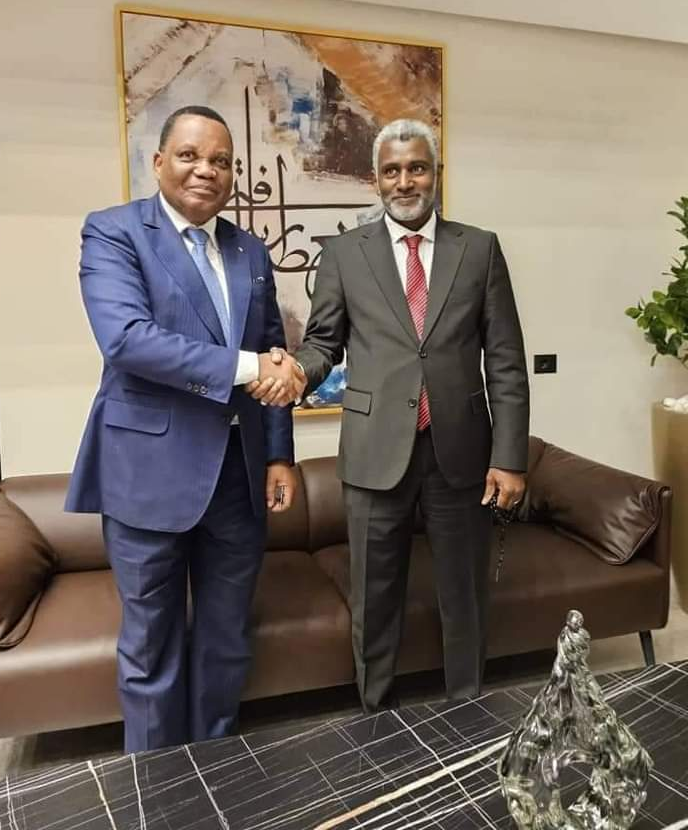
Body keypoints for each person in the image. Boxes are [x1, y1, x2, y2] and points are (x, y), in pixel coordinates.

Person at [249, 118, 529, 712]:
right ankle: (375, 714)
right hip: (374, 452)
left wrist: (509, 458)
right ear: (376, 179)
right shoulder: (344, 254)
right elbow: (323, 343)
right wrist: (296, 371)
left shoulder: (479, 249)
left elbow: (505, 361)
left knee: (465, 596)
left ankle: (468, 710)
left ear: (436, 174)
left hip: (461, 453)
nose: (405, 181)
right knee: (374, 599)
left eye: (417, 168)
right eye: (392, 170)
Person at [65, 105, 305, 751]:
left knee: (227, 642)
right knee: (151, 649)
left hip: (238, 479)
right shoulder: (114, 232)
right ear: (159, 162)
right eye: (191, 155)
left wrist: (278, 454)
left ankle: (214, 770)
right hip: (148, 478)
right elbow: (129, 340)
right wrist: (251, 367)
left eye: (221, 161)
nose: (207, 170)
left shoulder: (249, 250)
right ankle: (155, 784)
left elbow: (272, 348)